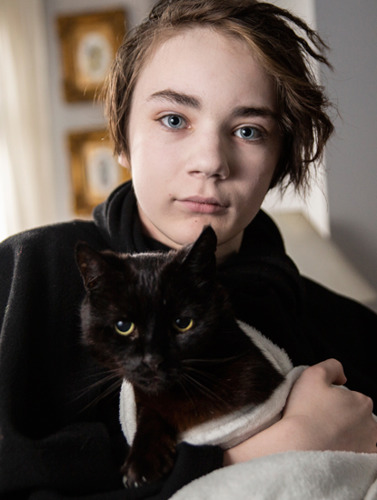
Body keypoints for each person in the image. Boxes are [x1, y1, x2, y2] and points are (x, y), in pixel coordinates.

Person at [1, 0, 376, 498]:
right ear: (122, 136)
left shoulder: (352, 331)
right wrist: (269, 452)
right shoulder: (26, 276)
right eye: (174, 119)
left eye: (248, 130)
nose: (210, 161)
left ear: (279, 159)